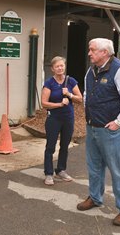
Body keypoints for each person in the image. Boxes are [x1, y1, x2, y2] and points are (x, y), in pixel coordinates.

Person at [77, 38, 120, 227]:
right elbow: (87, 94)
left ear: (105, 52)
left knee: (118, 170)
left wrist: (118, 122)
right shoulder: (91, 70)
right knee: (94, 167)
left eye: (93, 50)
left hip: (113, 130)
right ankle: (95, 198)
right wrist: (89, 116)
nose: (89, 53)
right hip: (93, 127)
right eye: (89, 49)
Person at [41, 56, 82, 186]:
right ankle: (48, 173)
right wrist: (59, 104)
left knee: (65, 145)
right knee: (50, 146)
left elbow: (80, 99)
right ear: (53, 69)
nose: (60, 68)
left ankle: (61, 170)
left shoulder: (71, 81)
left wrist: (69, 95)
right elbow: (44, 103)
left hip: (68, 118)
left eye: (62, 66)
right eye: (57, 66)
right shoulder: (49, 83)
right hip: (54, 118)